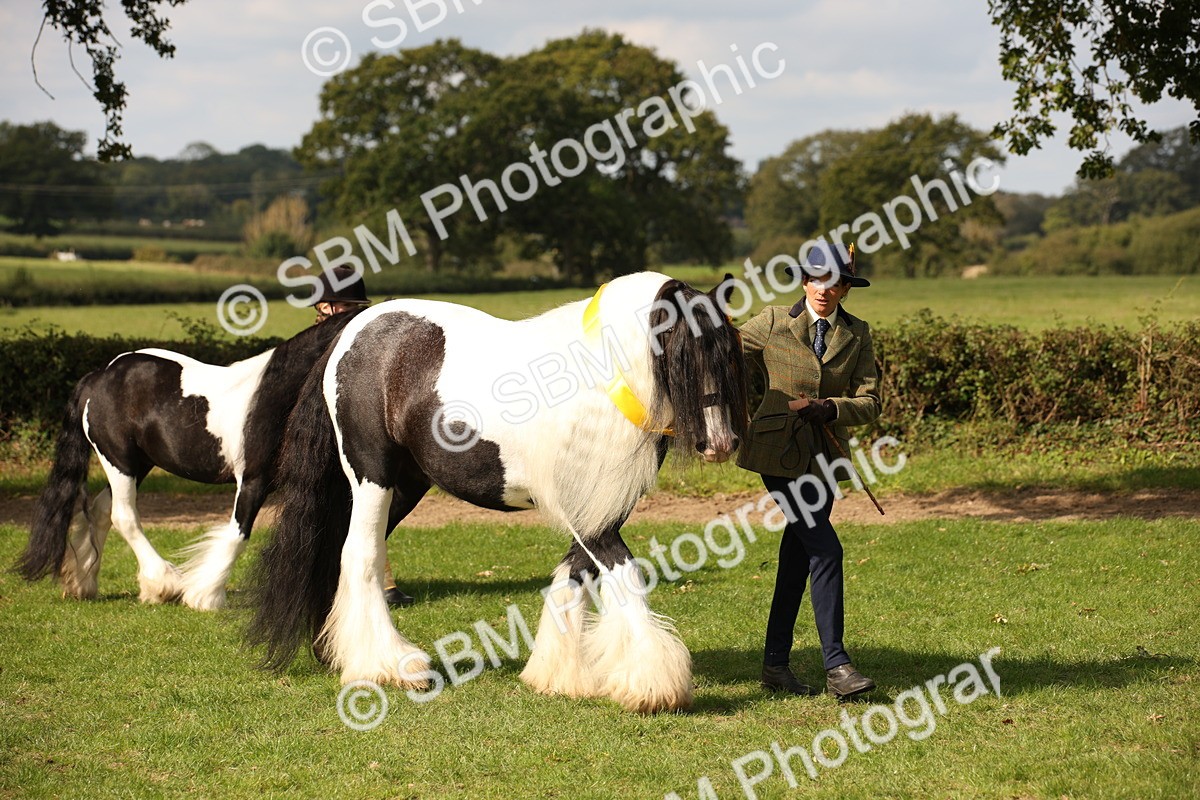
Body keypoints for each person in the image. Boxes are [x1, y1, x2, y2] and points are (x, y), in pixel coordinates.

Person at [736, 242, 880, 699]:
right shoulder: (775, 321)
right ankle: (837, 666)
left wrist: (831, 407)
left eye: (835, 283)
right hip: (774, 454)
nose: (825, 290)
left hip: (823, 460)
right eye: (818, 280)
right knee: (826, 549)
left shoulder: (858, 335)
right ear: (805, 281)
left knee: (797, 560)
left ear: (845, 290)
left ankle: (775, 665)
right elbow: (723, 353)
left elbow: (871, 402)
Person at [311, 265, 415, 609]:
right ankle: (372, 580)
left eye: (347, 307)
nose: (341, 313)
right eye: (337, 306)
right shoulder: (313, 343)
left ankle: (370, 567)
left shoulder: (365, 338)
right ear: (323, 307)